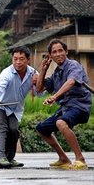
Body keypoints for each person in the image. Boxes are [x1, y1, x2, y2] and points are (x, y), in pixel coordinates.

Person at [35, 39, 91, 170]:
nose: (58, 54)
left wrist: (54, 97)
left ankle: (80, 159)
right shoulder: (56, 73)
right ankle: (63, 159)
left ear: (66, 51)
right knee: (41, 128)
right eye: (54, 52)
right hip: (65, 108)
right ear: (51, 56)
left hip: (79, 106)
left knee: (60, 123)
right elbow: (39, 89)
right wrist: (44, 69)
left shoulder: (73, 65)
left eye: (61, 50)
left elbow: (71, 82)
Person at [0, 46, 43, 168]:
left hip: (15, 108)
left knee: (14, 131)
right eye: (15, 59)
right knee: (1, 129)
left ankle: (9, 158)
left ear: (28, 60)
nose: (18, 62)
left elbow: (40, 94)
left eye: (21, 59)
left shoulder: (34, 73)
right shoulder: (7, 73)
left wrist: (38, 83)